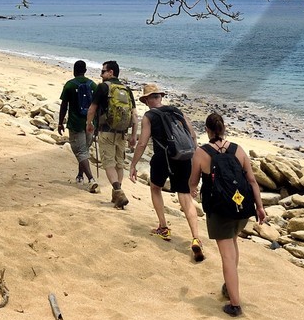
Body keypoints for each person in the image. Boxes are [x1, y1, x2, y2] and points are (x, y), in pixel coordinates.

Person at [189, 112, 266, 317]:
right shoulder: (238, 150)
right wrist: (259, 207)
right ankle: (228, 286)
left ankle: (235, 304)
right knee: (233, 245)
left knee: (227, 256)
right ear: (223, 128)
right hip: (241, 208)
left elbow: (193, 182)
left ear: (207, 130)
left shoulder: (201, 153)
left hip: (219, 211)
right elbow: (252, 181)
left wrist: (193, 189)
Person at [128, 84, 206, 261]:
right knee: (185, 196)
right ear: (160, 97)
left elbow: (142, 142)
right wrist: (194, 159)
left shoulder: (149, 116)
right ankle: (196, 238)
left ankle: (163, 227)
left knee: (155, 188)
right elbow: (192, 135)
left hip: (163, 157)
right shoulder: (177, 111)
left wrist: (133, 164)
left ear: (147, 100)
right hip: (185, 157)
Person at [85, 59, 136, 209]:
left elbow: (92, 109)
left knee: (108, 163)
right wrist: (133, 135)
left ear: (110, 72)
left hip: (106, 131)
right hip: (122, 133)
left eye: (102, 71)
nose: (101, 75)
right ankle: (116, 196)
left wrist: (89, 124)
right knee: (119, 164)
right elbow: (134, 115)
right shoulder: (127, 90)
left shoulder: (103, 87)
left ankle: (118, 192)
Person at [55, 60, 99, 191]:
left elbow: (64, 106)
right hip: (90, 124)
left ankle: (91, 179)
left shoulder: (69, 85)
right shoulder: (93, 85)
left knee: (81, 152)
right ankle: (80, 175)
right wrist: (97, 124)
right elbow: (98, 106)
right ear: (85, 71)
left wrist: (60, 122)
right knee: (84, 150)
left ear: (74, 71)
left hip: (75, 124)